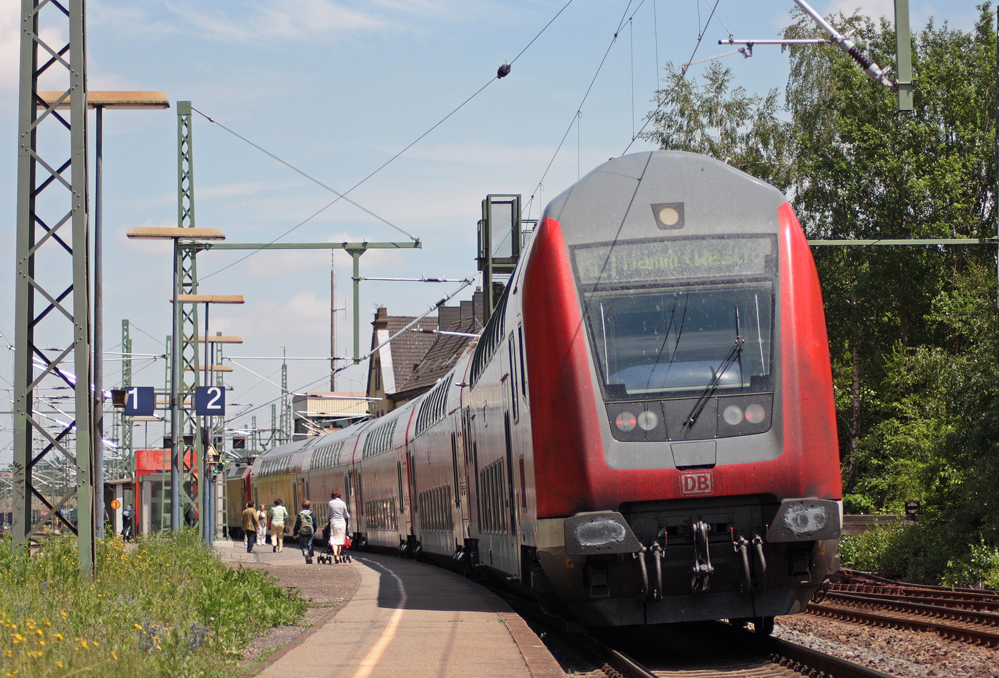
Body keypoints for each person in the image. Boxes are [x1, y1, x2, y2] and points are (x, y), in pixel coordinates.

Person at [328, 489, 350, 563]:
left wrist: (328, 518)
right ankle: (338, 555)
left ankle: (334, 553)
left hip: (334, 523)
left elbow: (328, 514)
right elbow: (346, 514)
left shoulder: (330, 503)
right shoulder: (343, 503)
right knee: (340, 540)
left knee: (333, 539)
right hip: (342, 523)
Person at [293, 500, 318, 564]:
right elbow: (315, 524)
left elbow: (297, 525)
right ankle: (310, 558)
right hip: (310, 532)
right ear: (310, 506)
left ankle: (305, 552)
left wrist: (295, 534)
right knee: (310, 544)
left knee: (303, 545)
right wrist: (314, 530)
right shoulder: (312, 514)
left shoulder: (300, 515)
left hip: (302, 532)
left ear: (302, 506)